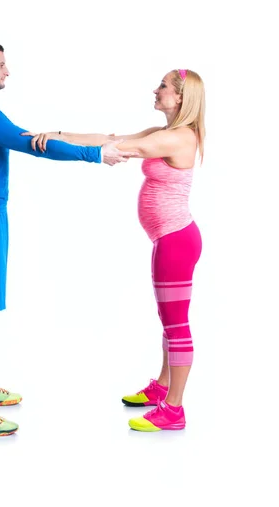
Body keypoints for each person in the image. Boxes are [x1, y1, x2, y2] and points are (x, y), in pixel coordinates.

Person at [0, 40, 133, 437]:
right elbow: (32, 145)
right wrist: (94, 155)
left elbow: (34, 136)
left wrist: (95, 140)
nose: (8, 70)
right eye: (1, 64)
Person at [22, 69, 205, 431]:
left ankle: (174, 410)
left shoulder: (180, 137)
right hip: (168, 239)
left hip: (176, 240)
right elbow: (110, 137)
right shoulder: (164, 133)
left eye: (163, 86)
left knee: (176, 324)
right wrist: (55, 134)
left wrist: (62, 149)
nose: (156, 90)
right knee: (168, 320)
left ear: (181, 96)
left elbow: (121, 149)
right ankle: (163, 387)